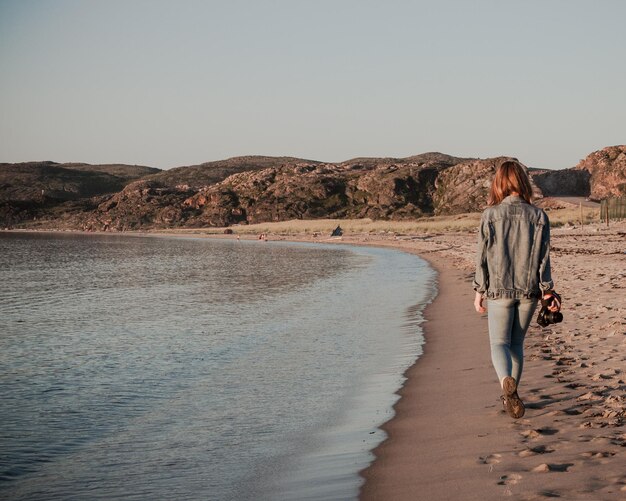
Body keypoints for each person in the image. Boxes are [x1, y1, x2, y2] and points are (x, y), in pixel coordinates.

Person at [473, 160, 561, 419]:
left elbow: (482, 258)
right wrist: (547, 290)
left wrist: (479, 290)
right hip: (528, 290)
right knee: (517, 344)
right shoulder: (539, 216)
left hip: (499, 289)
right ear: (522, 182)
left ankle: (506, 385)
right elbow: (544, 259)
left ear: (498, 184)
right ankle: (512, 393)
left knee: (498, 342)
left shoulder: (489, 215)